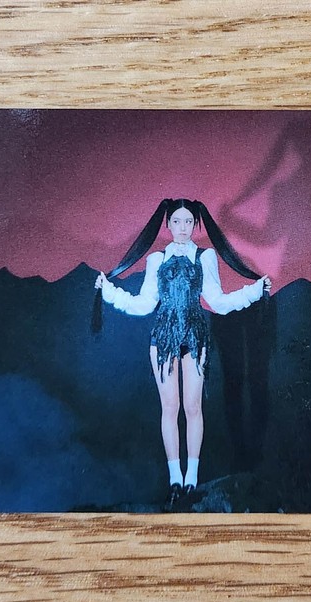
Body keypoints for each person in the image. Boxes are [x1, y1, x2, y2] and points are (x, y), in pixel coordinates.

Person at [93, 198, 271, 511]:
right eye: (177, 221)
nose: (183, 227)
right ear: (168, 224)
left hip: (195, 337)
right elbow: (144, 304)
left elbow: (218, 301)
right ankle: (175, 479)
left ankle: (192, 478)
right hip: (163, 338)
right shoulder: (156, 259)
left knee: (192, 407)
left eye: (188, 221)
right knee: (170, 407)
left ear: (196, 224)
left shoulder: (205, 256)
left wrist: (255, 291)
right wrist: (109, 291)